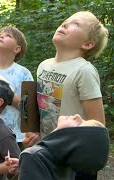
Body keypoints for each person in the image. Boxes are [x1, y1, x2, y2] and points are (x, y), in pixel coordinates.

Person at [23, 11, 109, 179]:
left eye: (75, 24)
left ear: (88, 44)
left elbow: (98, 125)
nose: (64, 24)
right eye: (65, 21)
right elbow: (40, 106)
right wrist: (33, 130)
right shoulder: (43, 66)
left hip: (75, 160)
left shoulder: (84, 71)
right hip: (47, 152)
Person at [5, 114, 110, 180]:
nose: (77, 116)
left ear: (73, 141)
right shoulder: (68, 160)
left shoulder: (32, 155)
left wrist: (30, 161)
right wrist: (24, 166)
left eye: (80, 124)